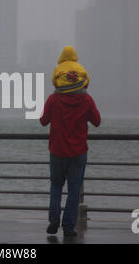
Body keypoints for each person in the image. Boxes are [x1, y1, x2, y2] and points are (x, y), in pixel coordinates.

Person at [39, 46, 101, 237]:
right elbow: (97, 122)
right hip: (78, 152)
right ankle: (68, 226)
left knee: (56, 186)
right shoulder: (86, 100)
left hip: (57, 150)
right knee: (74, 190)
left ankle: (54, 219)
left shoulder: (53, 99)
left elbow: (43, 121)